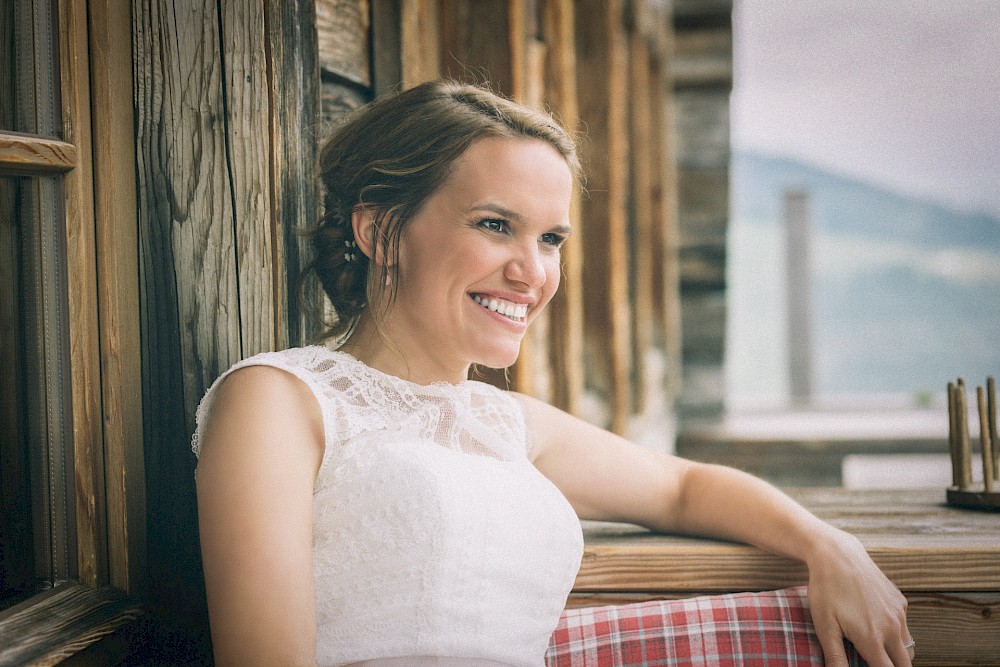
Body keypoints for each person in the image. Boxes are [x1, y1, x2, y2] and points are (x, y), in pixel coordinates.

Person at [192, 80, 913, 667]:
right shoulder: (281, 401)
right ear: (378, 229)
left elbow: (683, 487)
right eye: (494, 224)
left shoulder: (508, 424)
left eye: (551, 238)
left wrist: (829, 543)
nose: (532, 272)